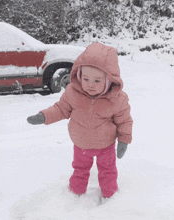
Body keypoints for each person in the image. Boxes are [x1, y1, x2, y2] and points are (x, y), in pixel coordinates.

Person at [27, 43, 133, 198]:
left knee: (108, 171)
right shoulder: (73, 93)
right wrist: (44, 116)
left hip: (106, 146)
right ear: (78, 75)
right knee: (79, 170)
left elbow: (124, 121)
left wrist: (124, 140)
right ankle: (75, 194)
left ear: (110, 80)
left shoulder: (117, 99)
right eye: (86, 79)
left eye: (97, 81)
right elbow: (61, 109)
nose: (90, 84)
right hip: (81, 144)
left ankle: (110, 196)